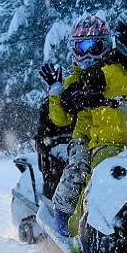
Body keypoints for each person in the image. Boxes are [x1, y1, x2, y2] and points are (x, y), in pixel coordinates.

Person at [51, 7, 127, 239]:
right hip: (107, 142)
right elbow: (74, 94)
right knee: (95, 174)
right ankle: (79, 229)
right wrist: (77, 95)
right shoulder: (103, 71)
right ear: (122, 38)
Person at [36, 15, 113, 207]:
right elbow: (60, 119)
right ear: (74, 49)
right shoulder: (73, 82)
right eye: (82, 47)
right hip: (86, 139)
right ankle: (64, 213)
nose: (87, 54)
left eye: (93, 47)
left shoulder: (116, 73)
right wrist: (56, 93)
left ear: (105, 46)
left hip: (119, 136)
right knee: (79, 172)